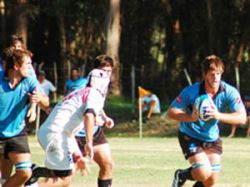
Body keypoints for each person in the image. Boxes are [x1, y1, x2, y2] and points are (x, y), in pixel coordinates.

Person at [25, 67, 113, 187]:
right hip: (55, 134)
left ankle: (34, 171)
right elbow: (89, 115)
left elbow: (68, 132)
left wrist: (78, 156)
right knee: (64, 178)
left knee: (62, 174)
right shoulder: (95, 93)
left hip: (53, 133)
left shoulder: (78, 93)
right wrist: (88, 142)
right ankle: (31, 180)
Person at [167, 55, 247, 187]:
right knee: (203, 172)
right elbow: (171, 111)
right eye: (212, 74)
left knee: (210, 180)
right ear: (205, 74)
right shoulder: (191, 91)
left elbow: (242, 117)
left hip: (211, 138)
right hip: (190, 135)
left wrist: (217, 115)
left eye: (218, 74)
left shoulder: (229, 91)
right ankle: (182, 175)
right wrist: (191, 118)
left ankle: (186, 175)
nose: (216, 78)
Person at [0, 49, 49, 187]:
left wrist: (39, 99)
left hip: (17, 133)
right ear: (16, 66)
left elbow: (46, 102)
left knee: (25, 173)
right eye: (27, 64)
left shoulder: (30, 80)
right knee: (4, 176)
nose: (31, 68)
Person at [75, 54, 114, 187]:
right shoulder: (83, 85)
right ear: (96, 71)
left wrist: (103, 116)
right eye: (104, 71)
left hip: (95, 133)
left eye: (109, 71)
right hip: (76, 134)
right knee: (66, 176)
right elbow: (83, 109)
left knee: (107, 165)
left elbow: (96, 105)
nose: (107, 75)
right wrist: (93, 118)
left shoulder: (103, 85)